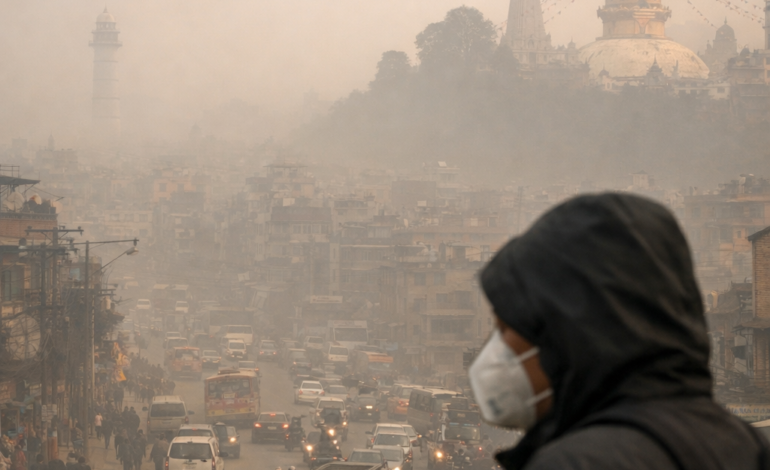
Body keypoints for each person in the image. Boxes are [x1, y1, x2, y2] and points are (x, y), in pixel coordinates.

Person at [472, 193, 770, 470]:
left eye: (506, 329)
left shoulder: (576, 462)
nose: (496, 350)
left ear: (565, 336)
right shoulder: (749, 446)